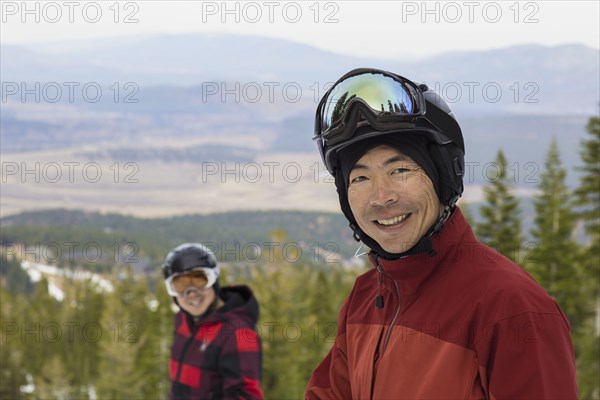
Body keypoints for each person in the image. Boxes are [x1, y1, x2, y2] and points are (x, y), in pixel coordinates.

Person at [305, 68, 578, 399]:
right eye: (360, 178)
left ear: (443, 177)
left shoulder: (511, 309)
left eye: (400, 170)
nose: (381, 197)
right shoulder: (366, 298)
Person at [162, 243, 263, 400]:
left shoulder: (237, 333)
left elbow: (244, 395)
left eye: (199, 280)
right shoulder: (183, 319)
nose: (191, 294)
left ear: (214, 280)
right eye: (180, 285)